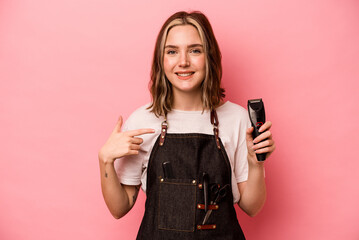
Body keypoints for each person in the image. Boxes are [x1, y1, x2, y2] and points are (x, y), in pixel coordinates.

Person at [98, 11, 276, 240]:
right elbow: (119, 208)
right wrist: (105, 160)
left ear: (209, 56)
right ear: (161, 60)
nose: (183, 61)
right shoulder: (142, 121)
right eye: (172, 51)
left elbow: (252, 207)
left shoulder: (237, 119)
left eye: (195, 50)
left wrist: (255, 164)